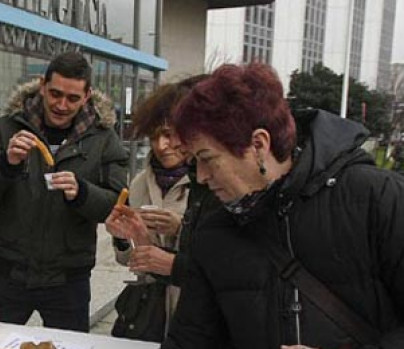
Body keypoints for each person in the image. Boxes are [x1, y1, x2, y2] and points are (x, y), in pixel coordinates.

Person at [148, 63, 404, 348]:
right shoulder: (214, 232)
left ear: (258, 144)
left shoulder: (377, 198)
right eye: (195, 162)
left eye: (208, 158)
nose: (202, 176)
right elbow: (190, 340)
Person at [0, 52, 129, 332]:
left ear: (87, 95)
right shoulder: (9, 126)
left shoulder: (104, 137)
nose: (62, 105)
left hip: (68, 278)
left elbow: (117, 205)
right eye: (55, 94)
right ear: (42, 85)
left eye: (73, 98)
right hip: (11, 271)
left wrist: (82, 193)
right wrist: (6, 163)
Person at [103, 76, 217, 342]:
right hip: (150, 311)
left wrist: (180, 227)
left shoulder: (211, 180)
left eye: (168, 135)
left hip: (195, 308)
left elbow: (227, 260)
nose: (162, 146)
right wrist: (122, 238)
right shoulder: (141, 182)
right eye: (154, 137)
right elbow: (136, 264)